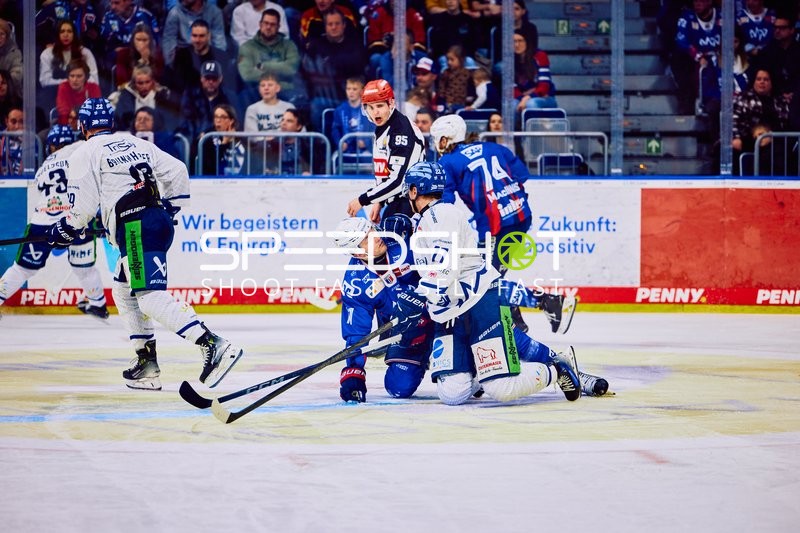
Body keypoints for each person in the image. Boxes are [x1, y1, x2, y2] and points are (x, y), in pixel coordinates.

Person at [42, 98, 244, 391]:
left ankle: (213, 344)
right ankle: (146, 362)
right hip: (155, 219)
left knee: (148, 295)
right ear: (111, 124)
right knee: (124, 288)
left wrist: (65, 229)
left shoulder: (85, 152)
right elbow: (176, 171)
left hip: (135, 226)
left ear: (82, 126)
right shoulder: (135, 142)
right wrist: (167, 209)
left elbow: (81, 208)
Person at [400, 161, 582, 405]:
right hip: (450, 311)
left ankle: (555, 369)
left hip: (479, 303)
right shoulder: (425, 221)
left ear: (414, 191)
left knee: (500, 388)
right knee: (452, 394)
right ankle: (478, 367)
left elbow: (445, 266)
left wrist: (424, 295)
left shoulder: (442, 214)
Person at [430, 114, 576, 335]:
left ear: (444, 139)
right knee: (491, 275)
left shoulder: (447, 162)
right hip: (521, 216)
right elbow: (521, 176)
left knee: (484, 280)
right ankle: (515, 318)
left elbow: (445, 202)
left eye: (436, 138)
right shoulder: (493, 147)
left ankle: (547, 301)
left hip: (494, 227)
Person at [0, 124, 109, 318]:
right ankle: (98, 303)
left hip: (42, 222)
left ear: (50, 146)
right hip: (76, 219)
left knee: (22, 269)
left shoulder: (43, 167)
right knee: (83, 267)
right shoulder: (81, 149)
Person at [332, 215, 433, 402]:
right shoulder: (356, 282)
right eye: (365, 239)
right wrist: (354, 373)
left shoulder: (401, 241)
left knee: (456, 386)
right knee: (398, 388)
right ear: (357, 253)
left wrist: (413, 223)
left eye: (371, 230)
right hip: (409, 333)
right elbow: (356, 334)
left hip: (442, 318)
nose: (376, 237)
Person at [346, 79, 425, 223]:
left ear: (391, 103)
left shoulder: (400, 130)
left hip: (412, 204)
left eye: (380, 106)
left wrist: (363, 200)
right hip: (398, 202)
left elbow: (399, 181)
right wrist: (380, 202)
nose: (375, 112)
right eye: (370, 107)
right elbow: (385, 172)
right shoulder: (384, 126)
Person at [237, 8, 303, 104]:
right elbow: (247, 75)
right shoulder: (247, 47)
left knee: (299, 99)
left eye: (272, 25)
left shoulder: (289, 45)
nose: (268, 27)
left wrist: (264, 66)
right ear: (260, 24)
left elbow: (291, 70)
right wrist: (279, 69)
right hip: (257, 89)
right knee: (243, 96)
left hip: (283, 88)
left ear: (278, 27)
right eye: (266, 23)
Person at [39, 19, 100, 90]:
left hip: (81, 93)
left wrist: (77, 84)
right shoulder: (48, 53)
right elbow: (45, 81)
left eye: (69, 31)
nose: (66, 35)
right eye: (62, 32)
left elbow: (95, 81)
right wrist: (69, 83)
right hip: (54, 93)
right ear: (57, 35)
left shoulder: (85, 52)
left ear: (74, 34)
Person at [162, 0, 227, 66]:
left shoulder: (214, 12)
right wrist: (171, 66)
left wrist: (217, 66)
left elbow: (219, 42)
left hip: (208, 59)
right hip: (183, 61)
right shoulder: (175, 13)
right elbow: (169, 42)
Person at [513, 30, 557, 111]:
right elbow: (512, 89)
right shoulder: (510, 59)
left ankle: (535, 124)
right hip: (522, 98)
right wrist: (522, 98)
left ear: (527, 42)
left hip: (545, 98)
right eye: (514, 41)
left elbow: (544, 86)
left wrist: (528, 97)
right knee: (512, 105)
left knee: (532, 103)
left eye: (520, 41)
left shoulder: (540, 56)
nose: (517, 45)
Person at [330, 76, 374, 156]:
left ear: (362, 91)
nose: (351, 92)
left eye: (354, 89)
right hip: (346, 150)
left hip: (366, 152)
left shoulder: (369, 109)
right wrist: (340, 142)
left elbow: (374, 128)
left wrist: (366, 142)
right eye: (348, 89)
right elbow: (335, 129)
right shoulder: (340, 110)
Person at [114, 23, 166, 90]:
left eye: (145, 40)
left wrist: (147, 61)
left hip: (151, 91)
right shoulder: (123, 54)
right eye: (138, 40)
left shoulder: (158, 56)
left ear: (150, 41)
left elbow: (159, 80)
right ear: (133, 40)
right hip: (129, 90)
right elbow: (121, 80)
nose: (141, 43)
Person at [200, 103, 246, 176]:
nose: (218, 120)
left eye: (223, 117)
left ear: (231, 121)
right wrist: (224, 143)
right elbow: (210, 166)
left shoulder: (242, 138)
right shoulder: (208, 138)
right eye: (216, 117)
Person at [55, 59, 102, 126]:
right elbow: (63, 113)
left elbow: (96, 112)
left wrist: (75, 112)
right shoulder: (63, 87)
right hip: (67, 126)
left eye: (79, 76)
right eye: (72, 76)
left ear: (86, 77)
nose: (75, 80)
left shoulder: (93, 87)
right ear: (67, 77)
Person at [0, 106, 22, 175]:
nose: (17, 126)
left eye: (21, 122)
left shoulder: (33, 141)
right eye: (13, 122)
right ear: (6, 121)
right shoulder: (0, 139)